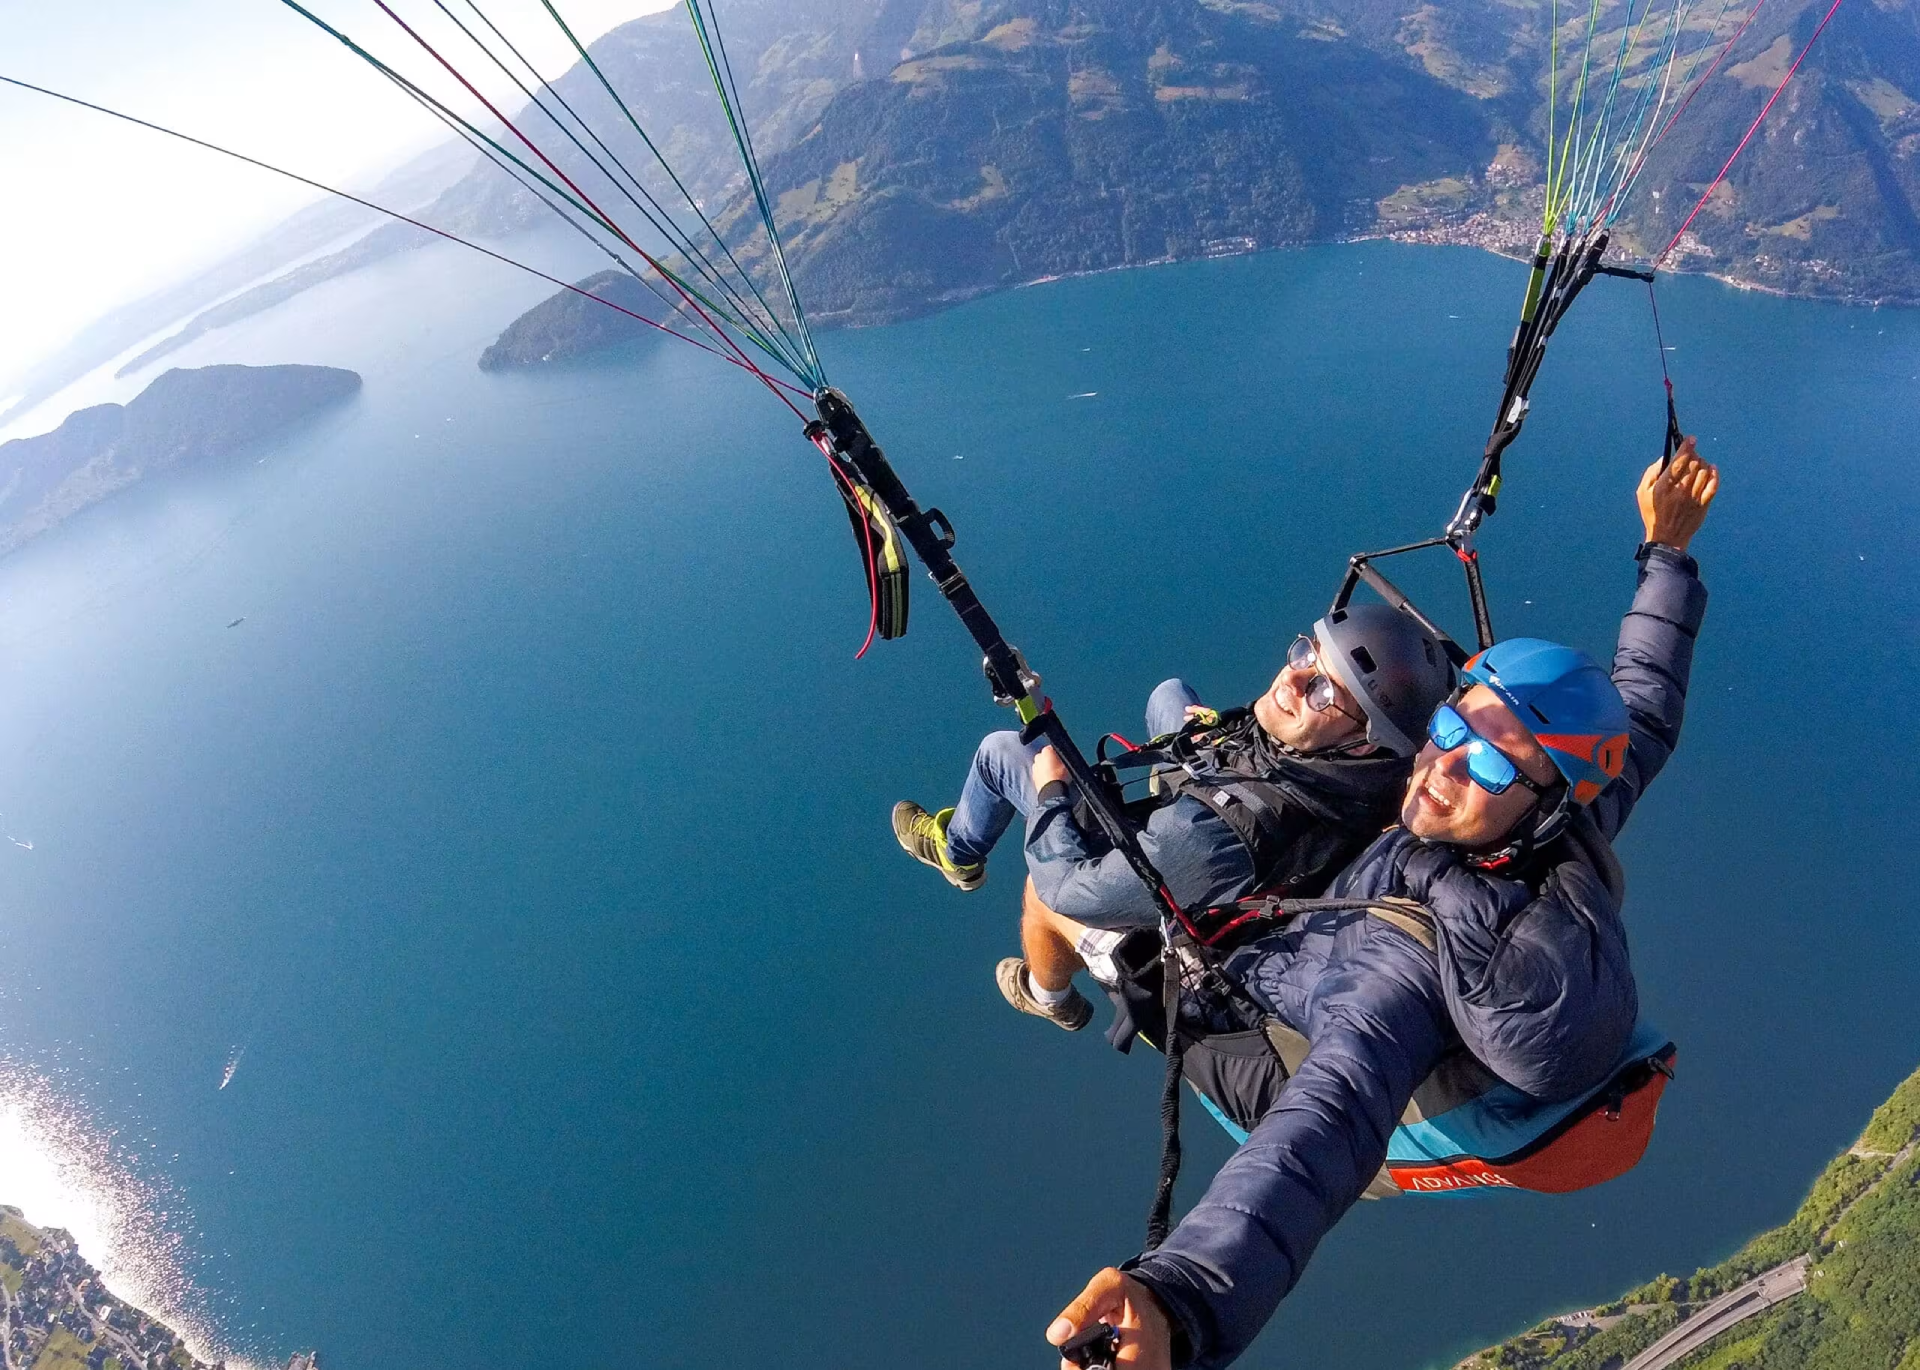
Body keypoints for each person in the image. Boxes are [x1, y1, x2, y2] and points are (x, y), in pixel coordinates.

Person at [1045, 441, 1720, 1370]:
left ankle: (1052, 992)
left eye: (1484, 760)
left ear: (1544, 793)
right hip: (1327, 942)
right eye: (1448, 727)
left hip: (1257, 1047)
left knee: (1056, 903)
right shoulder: (1567, 815)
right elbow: (1644, 706)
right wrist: (1667, 553)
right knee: (1188, 726)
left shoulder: (1404, 966)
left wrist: (1181, 1301)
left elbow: (1317, 1133)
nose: (1440, 764)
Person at [892, 604, 1457, 1030]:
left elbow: (1068, 887)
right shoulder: (1380, 771)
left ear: (1361, 744)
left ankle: (1036, 976)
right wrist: (1216, 739)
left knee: (1002, 760)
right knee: (1171, 694)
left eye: (1322, 691)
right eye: (1308, 656)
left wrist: (1049, 796)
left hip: (1185, 911)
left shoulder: (1214, 838)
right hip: (1239, 820)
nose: (1290, 680)